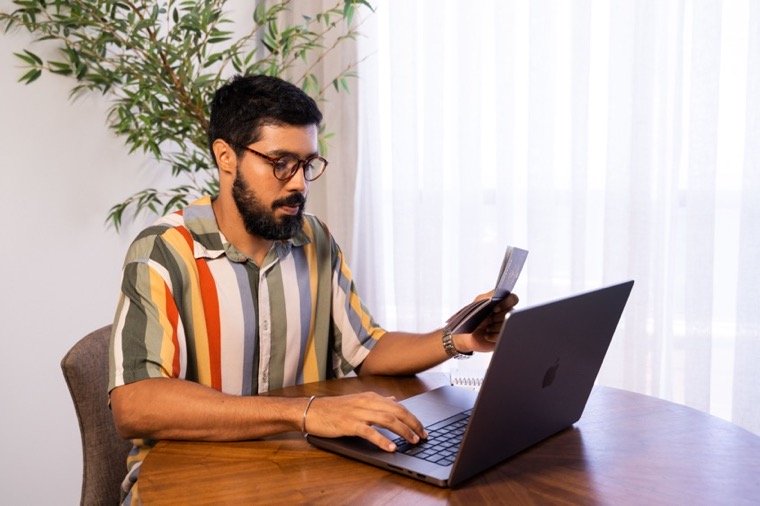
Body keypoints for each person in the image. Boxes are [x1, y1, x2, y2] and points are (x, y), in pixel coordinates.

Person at [108, 74, 518, 503]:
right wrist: (305, 412)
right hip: (184, 481)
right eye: (281, 163)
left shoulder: (315, 240)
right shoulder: (163, 251)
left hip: (294, 471)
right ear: (226, 157)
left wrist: (456, 339)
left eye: (307, 165)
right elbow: (135, 404)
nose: (299, 183)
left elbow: (366, 348)